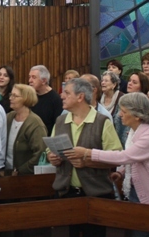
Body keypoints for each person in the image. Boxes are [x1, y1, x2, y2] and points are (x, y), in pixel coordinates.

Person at [72, 92, 149, 208]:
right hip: (137, 189)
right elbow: (136, 160)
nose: (119, 115)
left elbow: (125, 156)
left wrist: (88, 153)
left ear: (137, 115)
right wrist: (121, 172)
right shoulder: (134, 131)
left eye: (124, 111)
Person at [47, 78, 122, 237]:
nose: (62, 96)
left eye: (67, 93)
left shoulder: (102, 122)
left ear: (80, 97)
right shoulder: (61, 121)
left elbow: (115, 157)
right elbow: (50, 149)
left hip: (95, 195)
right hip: (65, 193)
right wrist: (52, 157)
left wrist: (87, 161)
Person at [5, 84, 47, 175]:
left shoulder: (35, 123)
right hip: (7, 173)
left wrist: (21, 171)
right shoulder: (9, 117)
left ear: (26, 99)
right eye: (11, 95)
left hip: (25, 176)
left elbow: (40, 152)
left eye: (15, 96)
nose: (10, 98)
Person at [28, 65, 63, 135]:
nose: (30, 81)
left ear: (44, 81)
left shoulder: (56, 100)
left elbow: (58, 125)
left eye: (34, 77)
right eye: (29, 77)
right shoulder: (29, 96)